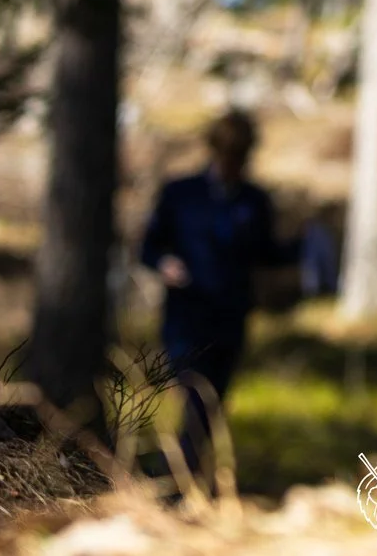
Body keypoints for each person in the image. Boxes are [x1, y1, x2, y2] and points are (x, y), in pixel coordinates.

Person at [139, 111, 296, 486]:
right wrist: (165, 264)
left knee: (213, 405)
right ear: (213, 150)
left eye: (240, 155)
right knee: (196, 395)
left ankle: (178, 478)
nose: (232, 162)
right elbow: (148, 247)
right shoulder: (180, 194)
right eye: (227, 153)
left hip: (231, 318)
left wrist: (305, 249)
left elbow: (266, 254)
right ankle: (179, 483)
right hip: (186, 318)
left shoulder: (255, 201)